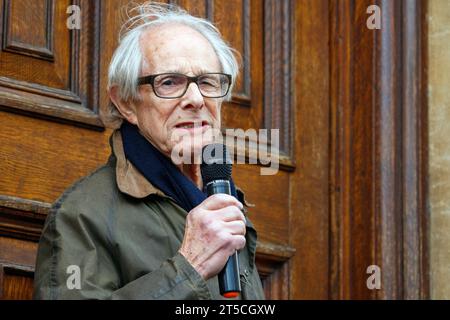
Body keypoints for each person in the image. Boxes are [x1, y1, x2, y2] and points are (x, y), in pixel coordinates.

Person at [33, 2, 265, 300]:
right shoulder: (82, 215)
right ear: (125, 102)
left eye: (208, 82)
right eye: (169, 82)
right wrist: (188, 268)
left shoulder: (226, 202)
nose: (196, 98)